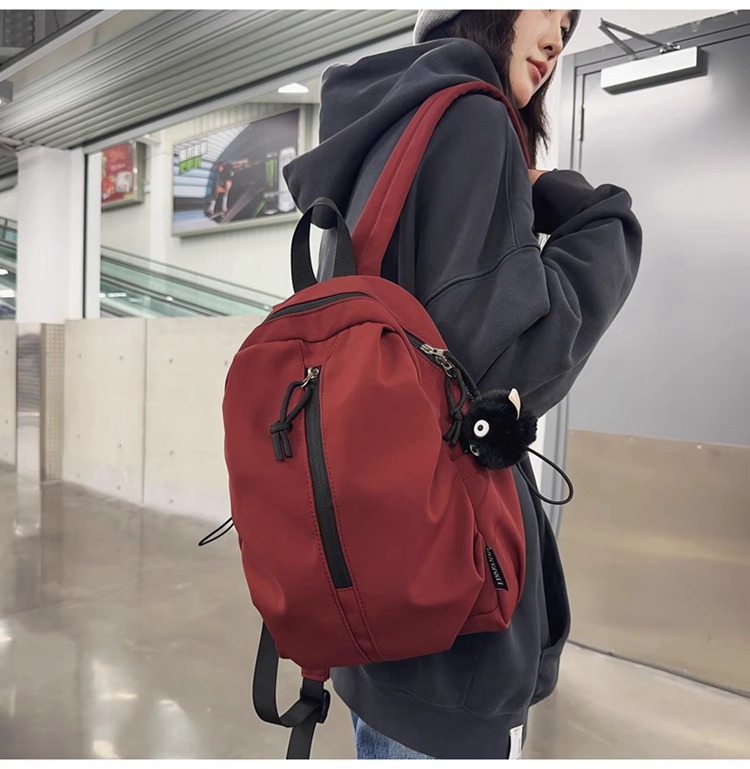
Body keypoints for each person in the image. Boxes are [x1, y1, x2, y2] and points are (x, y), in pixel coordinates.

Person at [283, 9, 642, 760]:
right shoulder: (472, 122)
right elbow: (507, 367)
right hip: (451, 628)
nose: (558, 37)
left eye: (571, 20)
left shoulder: (381, 132)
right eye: (547, 7)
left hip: (371, 591)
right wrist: (598, 217)